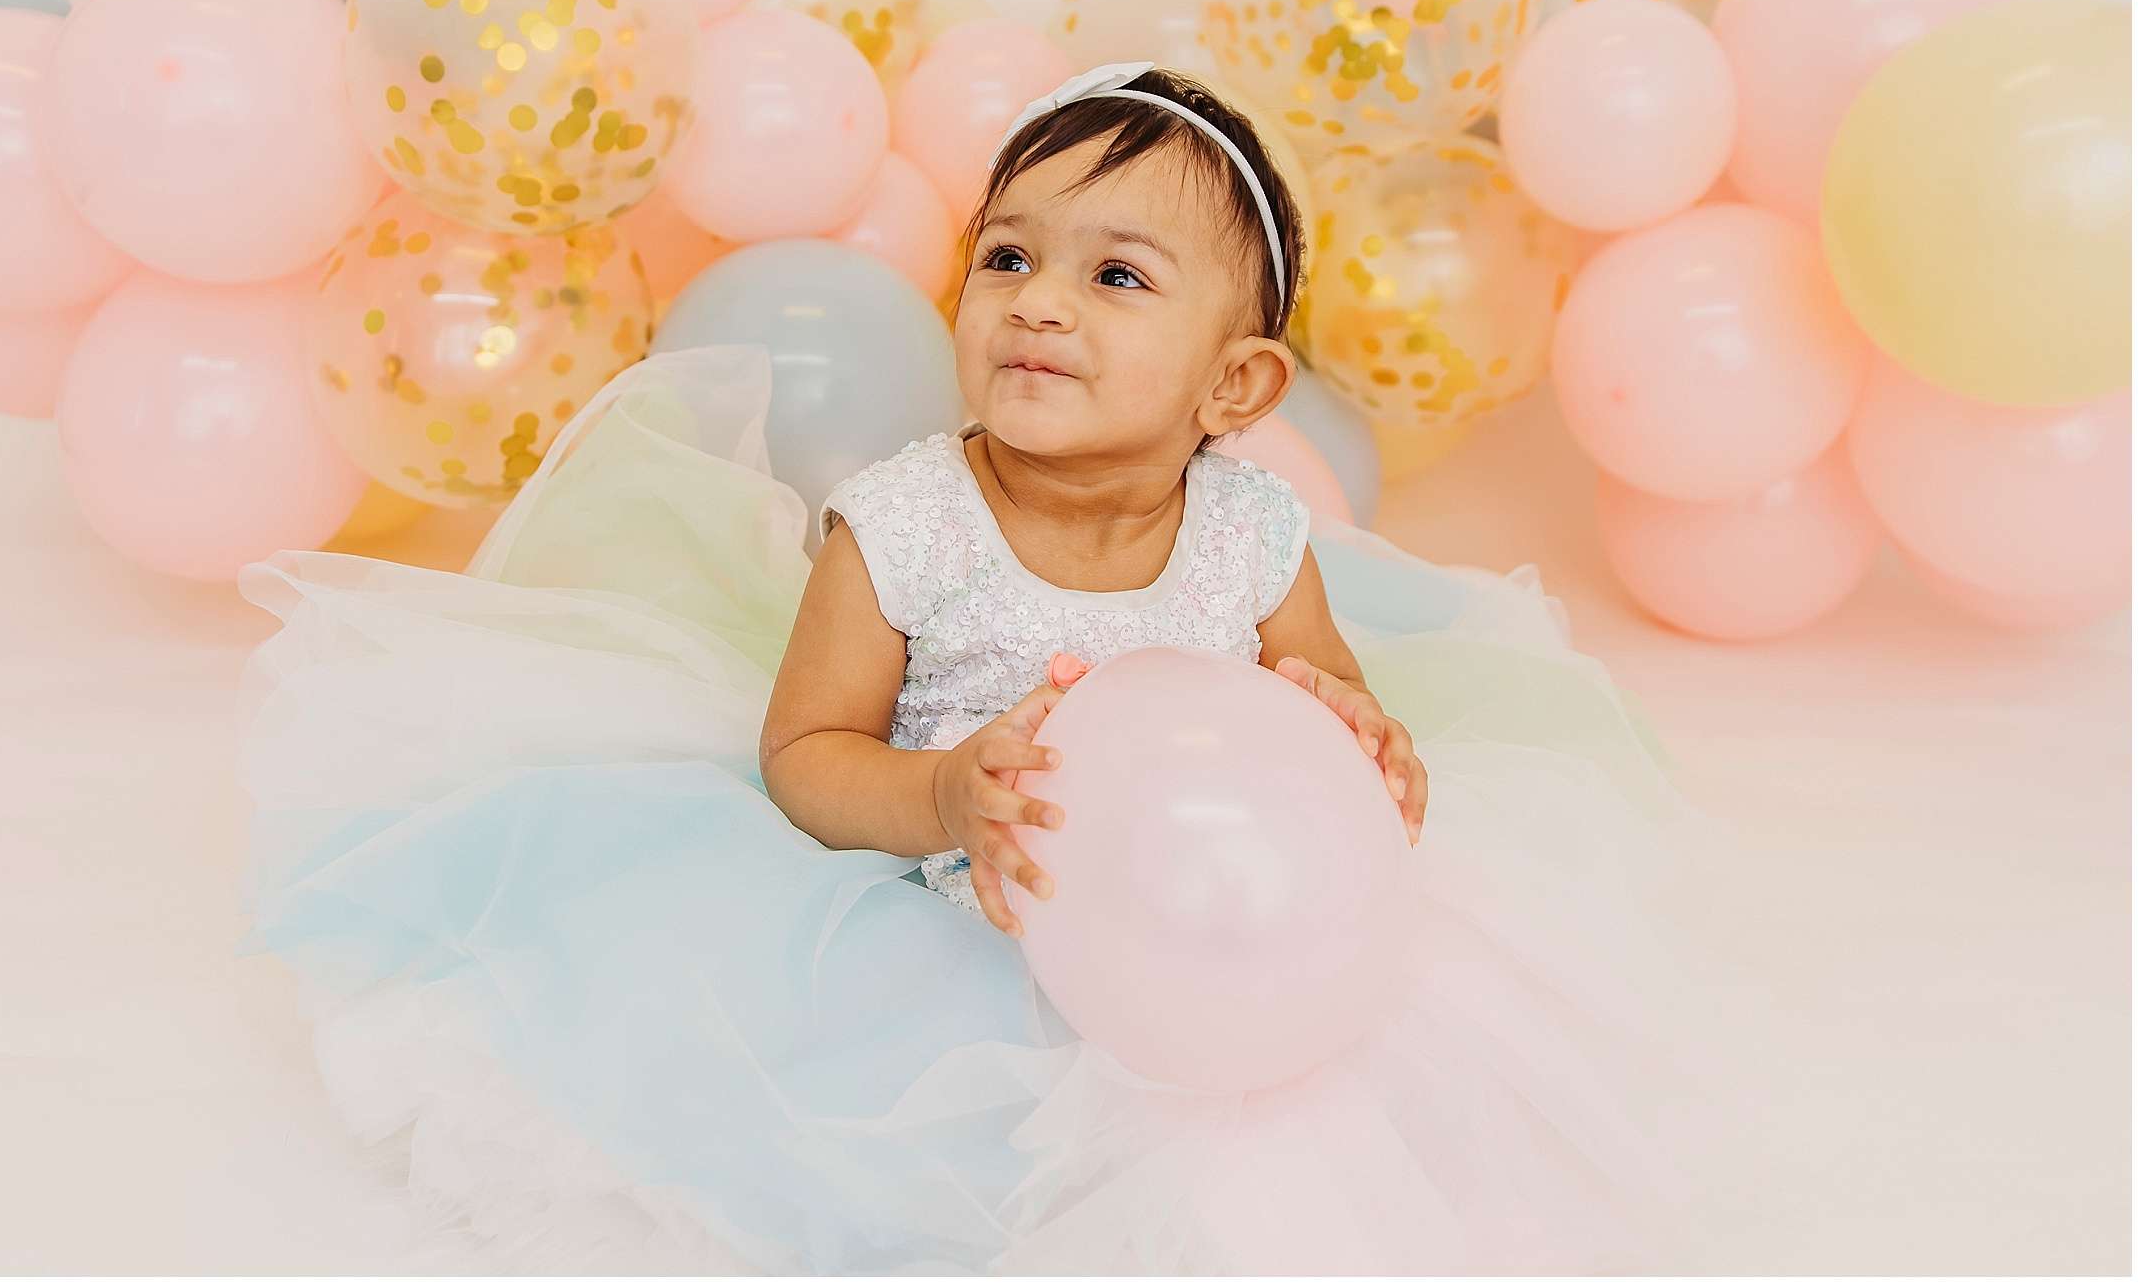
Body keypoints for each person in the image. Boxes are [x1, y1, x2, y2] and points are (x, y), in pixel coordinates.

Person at [240, 64, 1707, 1273]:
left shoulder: (1258, 533)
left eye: (1115, 273)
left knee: (1360, 1121)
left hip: (1206, 929)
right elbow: (805, 757)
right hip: (936, 915)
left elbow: (1324, 698)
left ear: (1235, 385)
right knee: (904, 1161)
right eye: (1006, 255)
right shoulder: (905, 523)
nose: (1039, 300)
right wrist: (945, 795)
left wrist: (1361, 736)